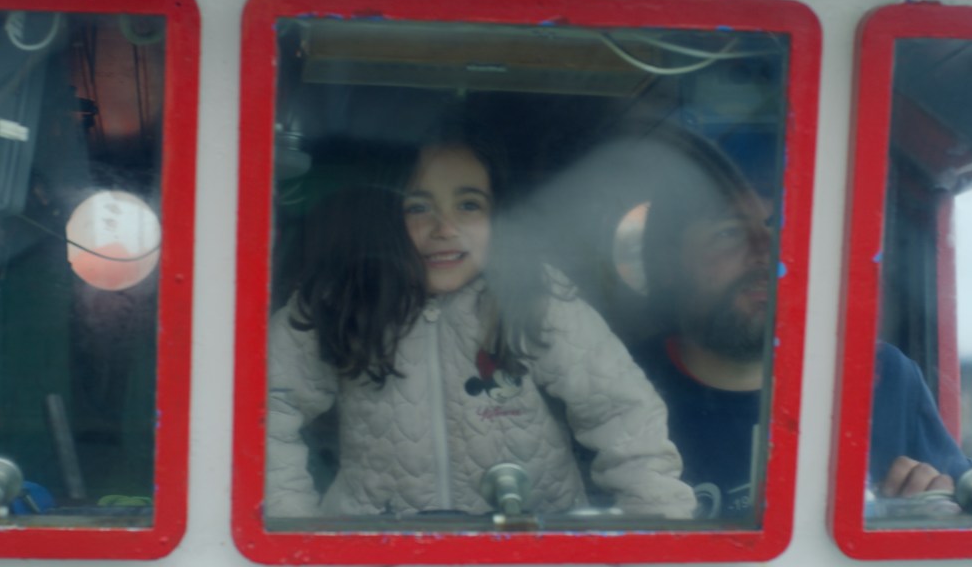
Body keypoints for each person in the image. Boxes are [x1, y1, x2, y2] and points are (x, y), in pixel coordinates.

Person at [265, 130, 695, 519]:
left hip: (528, 547)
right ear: (385, 217)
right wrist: (293, 526)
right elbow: (268, 410)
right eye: (418, 207)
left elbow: (620, 412)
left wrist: (655, 527)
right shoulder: (342, 297)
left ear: (498, 218)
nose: (444, 228)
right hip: (377, 552)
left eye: (469, 205)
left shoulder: (535, 297)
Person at [611, 128, 972, 520]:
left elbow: (967, 514)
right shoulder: (614, 387)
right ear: (668, 264)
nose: (768, 253)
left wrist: (931, 502)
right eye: (729, 232)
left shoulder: (885, 376)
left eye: (781, 228)